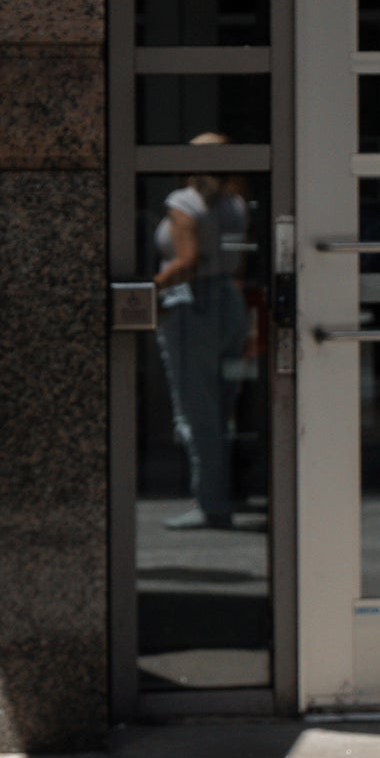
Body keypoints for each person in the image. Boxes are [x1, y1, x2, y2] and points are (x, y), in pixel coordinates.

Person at [151, 134, 250, 530]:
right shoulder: (236, 203)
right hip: (229, 300)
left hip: (192, 305)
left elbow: (187, 261)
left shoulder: (183, 203)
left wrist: (152, 289)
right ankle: (223, 491)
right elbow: (237, 259)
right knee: (222, 408)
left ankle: (212, 502)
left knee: (196, 410)